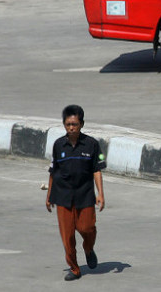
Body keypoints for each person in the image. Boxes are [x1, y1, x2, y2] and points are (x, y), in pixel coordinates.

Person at [46, 104, 106, 281]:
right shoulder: (58, 145)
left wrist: (100, 193)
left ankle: (88, 248)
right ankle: (74, 268)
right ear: (64, 124)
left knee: (87, 228)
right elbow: (53, 172)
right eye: (68, 124)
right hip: (62, 196)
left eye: (75, 124)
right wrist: (49, 196)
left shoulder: (91, 144)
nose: (71, 128)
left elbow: (97, 170)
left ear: (82, 124)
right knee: (67, 236)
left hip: (85, 195)